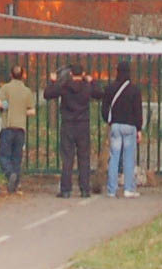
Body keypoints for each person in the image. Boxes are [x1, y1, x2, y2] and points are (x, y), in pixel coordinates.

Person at [44, 64, 104, 198]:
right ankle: (84, 189)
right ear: (82, 74)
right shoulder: (87, 87)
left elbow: (47, 94)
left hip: (68, 124)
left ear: (71, 74)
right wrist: (92, 81)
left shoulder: (64, 86)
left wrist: (52, 81)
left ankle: (66, 189)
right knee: (84, 157)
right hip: (83, 124)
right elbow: (100, 94)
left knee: (67, 157)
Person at [101, 60, 143, 198]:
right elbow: (138, 111)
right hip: (130, 126)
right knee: (128, 158)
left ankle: (112, 189)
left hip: (115, 125)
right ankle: (128, 188)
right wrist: (139, 128)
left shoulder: (110, 88)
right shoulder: (134, 90)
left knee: (114, 157)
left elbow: (105, 108)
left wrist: (109, 120)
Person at [0, 65, 35, 194]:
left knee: (3, 155)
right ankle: (14, 186)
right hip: (20, 128)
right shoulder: (27, 91)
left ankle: (10, 173)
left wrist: (6, 106)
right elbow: (32, 111)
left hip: (8, 127)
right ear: (23, 75)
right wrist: (22, 112)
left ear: (11, 75)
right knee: (17, 157)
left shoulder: (5, 88)